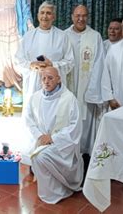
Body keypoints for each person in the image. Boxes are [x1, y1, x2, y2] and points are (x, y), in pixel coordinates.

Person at [25, 66, 83, 204]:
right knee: (38, 156)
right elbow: (29, 120)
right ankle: (52, 191)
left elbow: (75, 127)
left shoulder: (69, 99)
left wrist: (53, 138)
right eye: (43, 78)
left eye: (50, 78)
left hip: (62, 146)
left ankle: (59, 190)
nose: (46, 81)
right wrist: (40, 136)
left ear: (58, 79)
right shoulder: (36, 97)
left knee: (40, 157)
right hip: (42, 142)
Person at [15, 1, 74, 110]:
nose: (45, 16)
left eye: (48, 13)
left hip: (55, 87)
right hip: (33, 84)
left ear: (54, 17)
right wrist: (31, 65)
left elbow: (70, 62)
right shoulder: (28, 37)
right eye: (42, 13)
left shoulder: (62, 36)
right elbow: (18, 61)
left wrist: (52, 65)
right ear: (37, 16)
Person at [65, 5, 104, 157]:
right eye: (77, 15)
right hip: (67, 87)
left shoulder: (95, 36)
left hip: (86, 89)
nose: (81, 19)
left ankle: (83, 156)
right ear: (72, 16)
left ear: (88, 17)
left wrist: (93, 90)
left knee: (85, 122)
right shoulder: (63, 35)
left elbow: (99, 64)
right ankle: (67, 153)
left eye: (84, 15)